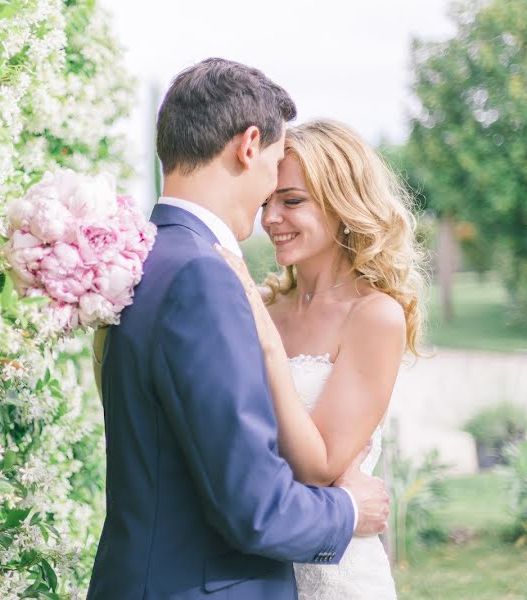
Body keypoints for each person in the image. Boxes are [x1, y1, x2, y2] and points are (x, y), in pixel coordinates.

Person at [87, 59, 389, 600]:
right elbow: (254, 508)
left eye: (291, 197)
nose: (271, 206)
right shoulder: (204, 275)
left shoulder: (142, 258)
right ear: (250, 146)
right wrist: (348, 509)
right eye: (275, 169)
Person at [216, 119, 425, 598]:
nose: (271, 218)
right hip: (253, 567)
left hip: (338, 575)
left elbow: (321, 466)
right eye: (267, 199)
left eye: (292, 201)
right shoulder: (264, 308)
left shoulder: (374, 316)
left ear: (343, 204)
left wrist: (267, 344)